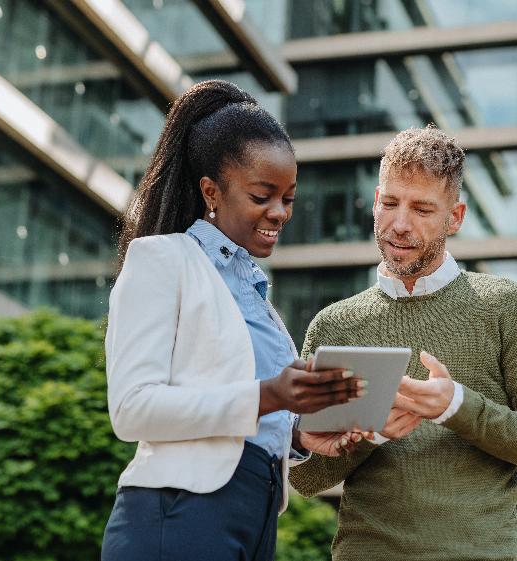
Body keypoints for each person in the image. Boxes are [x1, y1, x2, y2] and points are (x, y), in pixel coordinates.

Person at [101, 80, 368, 561]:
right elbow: (131, 409)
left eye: (288, 198)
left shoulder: (254, 292)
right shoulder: (162, 260)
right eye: (263, 195)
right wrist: (270, 394)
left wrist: (298, 434)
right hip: (180, 515)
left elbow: (239, 413)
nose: (279, 213)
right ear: (211, 191)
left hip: (253, 516)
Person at [289, 125, 517, 561]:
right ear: (374, 205)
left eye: (422, 209)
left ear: (455, 218)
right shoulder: (334, 325)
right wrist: (373, 433)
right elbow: (306, 478)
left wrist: (455, 407)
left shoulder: (506, 306)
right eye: (389, 203)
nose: (399, 224)